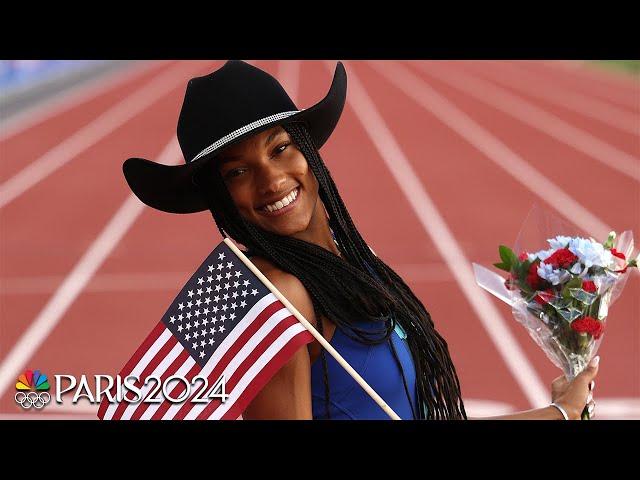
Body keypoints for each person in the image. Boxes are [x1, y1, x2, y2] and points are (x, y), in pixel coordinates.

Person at [123, 60, 598, 420]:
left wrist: (555, 413)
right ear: (221, 198)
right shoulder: (279, 302)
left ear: (308, 149)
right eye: (238, 172)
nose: (271, 181)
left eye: (280, 148)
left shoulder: (351, 260)